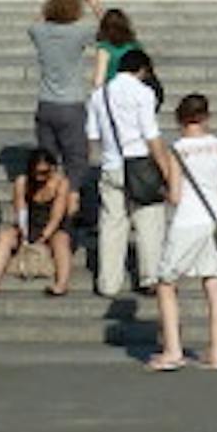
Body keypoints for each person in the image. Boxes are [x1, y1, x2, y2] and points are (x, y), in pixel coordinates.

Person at [149, 92, 217, 371]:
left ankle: (173, 350)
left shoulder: (178, 149)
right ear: (207, 116)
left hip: (187, 221)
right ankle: (216, 352)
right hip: (214, 219)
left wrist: (163, 193)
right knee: (213, 283)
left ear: (180, 118)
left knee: (166, 283)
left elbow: (175, 195)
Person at [89, 42, 168, 299]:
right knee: (148, 221)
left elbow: (92, 135)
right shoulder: (143, 93)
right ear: (141, 70)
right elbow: (151, 135)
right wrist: (165, 169)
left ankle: (108, 282)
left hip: (111, 164)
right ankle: (150, 277)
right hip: (140, 163)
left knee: (112, 225)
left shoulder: (98, 95)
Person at [0, 149, 76, 298]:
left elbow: (57, 215)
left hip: (55, 227)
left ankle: (61, 284)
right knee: (4, 237)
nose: (40, 178)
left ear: (52, 169)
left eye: (45, 173)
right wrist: (25, 234)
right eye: (37, 173)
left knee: (61, 240)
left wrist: (44, 236)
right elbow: (21, 210)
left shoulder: (61, 183)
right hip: (30, 224)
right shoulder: (22, 182)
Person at [29, 0, 99, 187]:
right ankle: (72, 201)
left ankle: (48, 200)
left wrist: (48, 6)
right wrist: (95, 5)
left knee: (47, 159)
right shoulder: (79, 31)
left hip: (46, 102)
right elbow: (108, 30)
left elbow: (35, 22)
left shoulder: (40, 31)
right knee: (76, 160)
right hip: (72, 104)